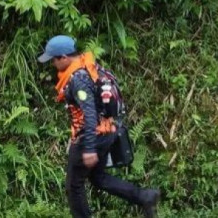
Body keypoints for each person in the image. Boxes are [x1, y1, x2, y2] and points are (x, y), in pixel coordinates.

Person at [38, 35, 160, 218]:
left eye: (53, 60)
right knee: (98, 178)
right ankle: (144, 196)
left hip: (91, 136)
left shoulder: (77, 79)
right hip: (106, 132)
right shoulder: (88, 67)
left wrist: (88, 148)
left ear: (63, 57)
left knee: (74, 186)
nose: (53, 64)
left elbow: (89, 113)